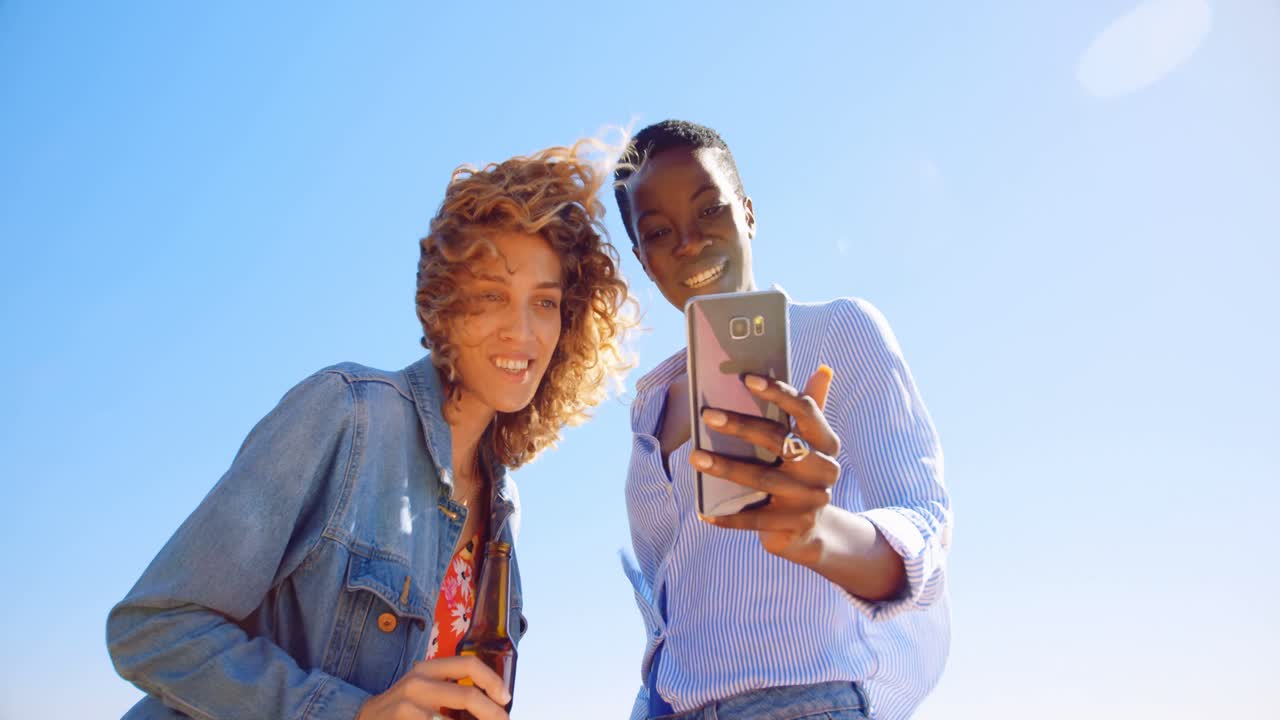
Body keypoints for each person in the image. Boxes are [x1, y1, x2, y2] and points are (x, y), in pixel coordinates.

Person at [106, 141, 632, 720]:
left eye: (546, 303)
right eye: (491, 297)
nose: (523, 331)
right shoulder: (346, 415)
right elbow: (156, 626)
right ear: (445, 308)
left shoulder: (504, 512)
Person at [612, 120, 952, 720]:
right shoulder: (649, 405)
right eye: (660, 231)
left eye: (710, 209)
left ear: (747, 213)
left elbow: (923, 523)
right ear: (643, 259)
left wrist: (821, 533)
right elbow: (671, 608)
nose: (689, 241)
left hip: (802, 704)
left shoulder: (836, 331)